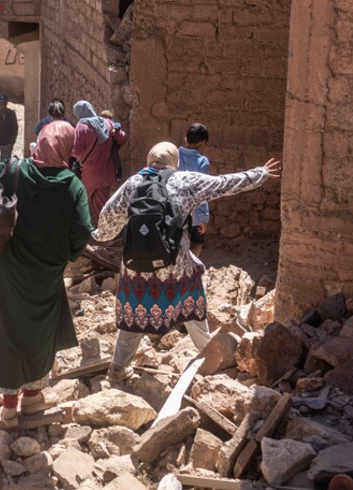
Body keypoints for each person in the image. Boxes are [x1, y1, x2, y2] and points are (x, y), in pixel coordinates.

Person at [92, 142, 282, 382]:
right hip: (176, 267)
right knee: (193, 308)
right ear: (174, 161)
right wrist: (260, 174)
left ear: (149, 160)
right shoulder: (185, 181)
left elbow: (107, 224)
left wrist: (97, 236)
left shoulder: (132, 184)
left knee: (132, 320)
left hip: (136, 269)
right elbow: (224, 184)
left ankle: (117, 369)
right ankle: (212, 356)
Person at [0, 121, 95, 427]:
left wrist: (0, 212)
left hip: (9, 266)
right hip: (47, 272)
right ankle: (33, 397)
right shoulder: (72, 185)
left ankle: (9, 407)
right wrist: (68, 254)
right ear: (67, 147)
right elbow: (83, 230)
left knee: (7, 330)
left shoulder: (16, 171)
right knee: (39, 332)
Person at [72, 100, 127, 226]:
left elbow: (77, 151)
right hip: (107, 172)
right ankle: (103, 235)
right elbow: (123, 137)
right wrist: (113, 147)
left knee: (81, 203)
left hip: (89, 174)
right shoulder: (106, 123)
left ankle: (81, 233)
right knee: (101, 207)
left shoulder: (81, 126)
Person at [179, 123, 211, 257]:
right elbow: (201, 191)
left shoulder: (174, 154)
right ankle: (190, 270)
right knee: (198, 241)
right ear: (202, 142)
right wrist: (202, 218)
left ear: (186, 138)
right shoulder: (202, 161)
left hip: (175, 209)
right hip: (193, 211)